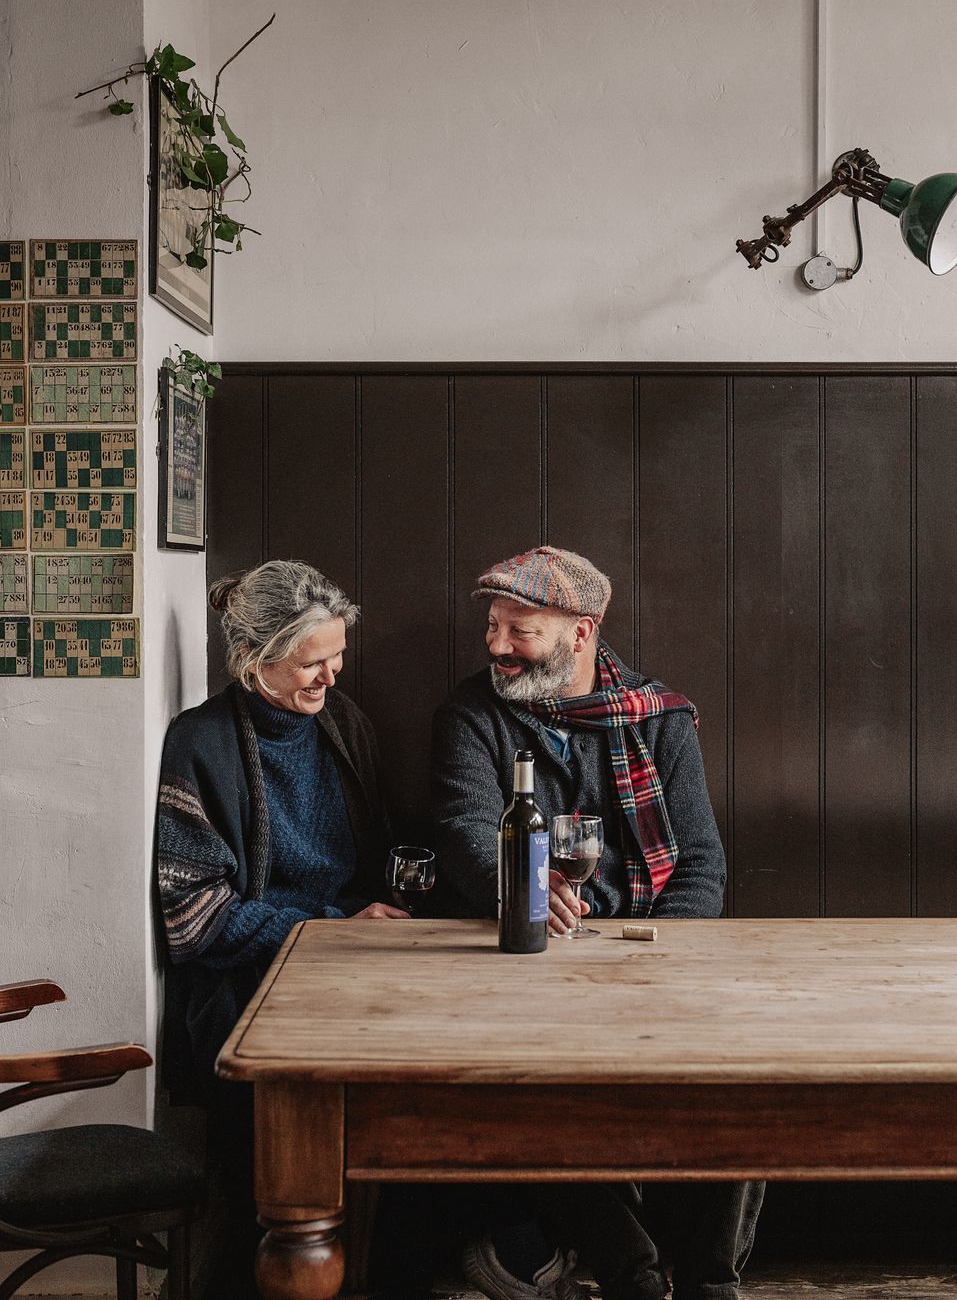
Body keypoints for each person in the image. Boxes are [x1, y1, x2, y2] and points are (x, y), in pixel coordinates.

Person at [432, 545, 765, 1300]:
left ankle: (714, 1278)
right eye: (492, 626)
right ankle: (632, 1271)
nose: (496, 646)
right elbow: (464, 830)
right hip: (536, 961)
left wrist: (656, 964)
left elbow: (702, 863)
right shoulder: (471, 716)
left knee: (745, 1074)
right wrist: (520, 889)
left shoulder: (660, 716)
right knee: (537, 1086)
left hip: (657, 955)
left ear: (581, 633)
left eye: (521, 631)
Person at [157, 559, 405, 1298]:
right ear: (254, 660)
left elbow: (380, 853)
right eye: (310, 663)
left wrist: (392, 905)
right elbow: (195, 916)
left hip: (349, 956)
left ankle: (383, 1270)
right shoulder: (198, 743)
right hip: (252, 980)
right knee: (290, 1125)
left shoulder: (343, 723)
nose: (329, 677)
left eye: (337, 657)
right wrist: (330, 925)